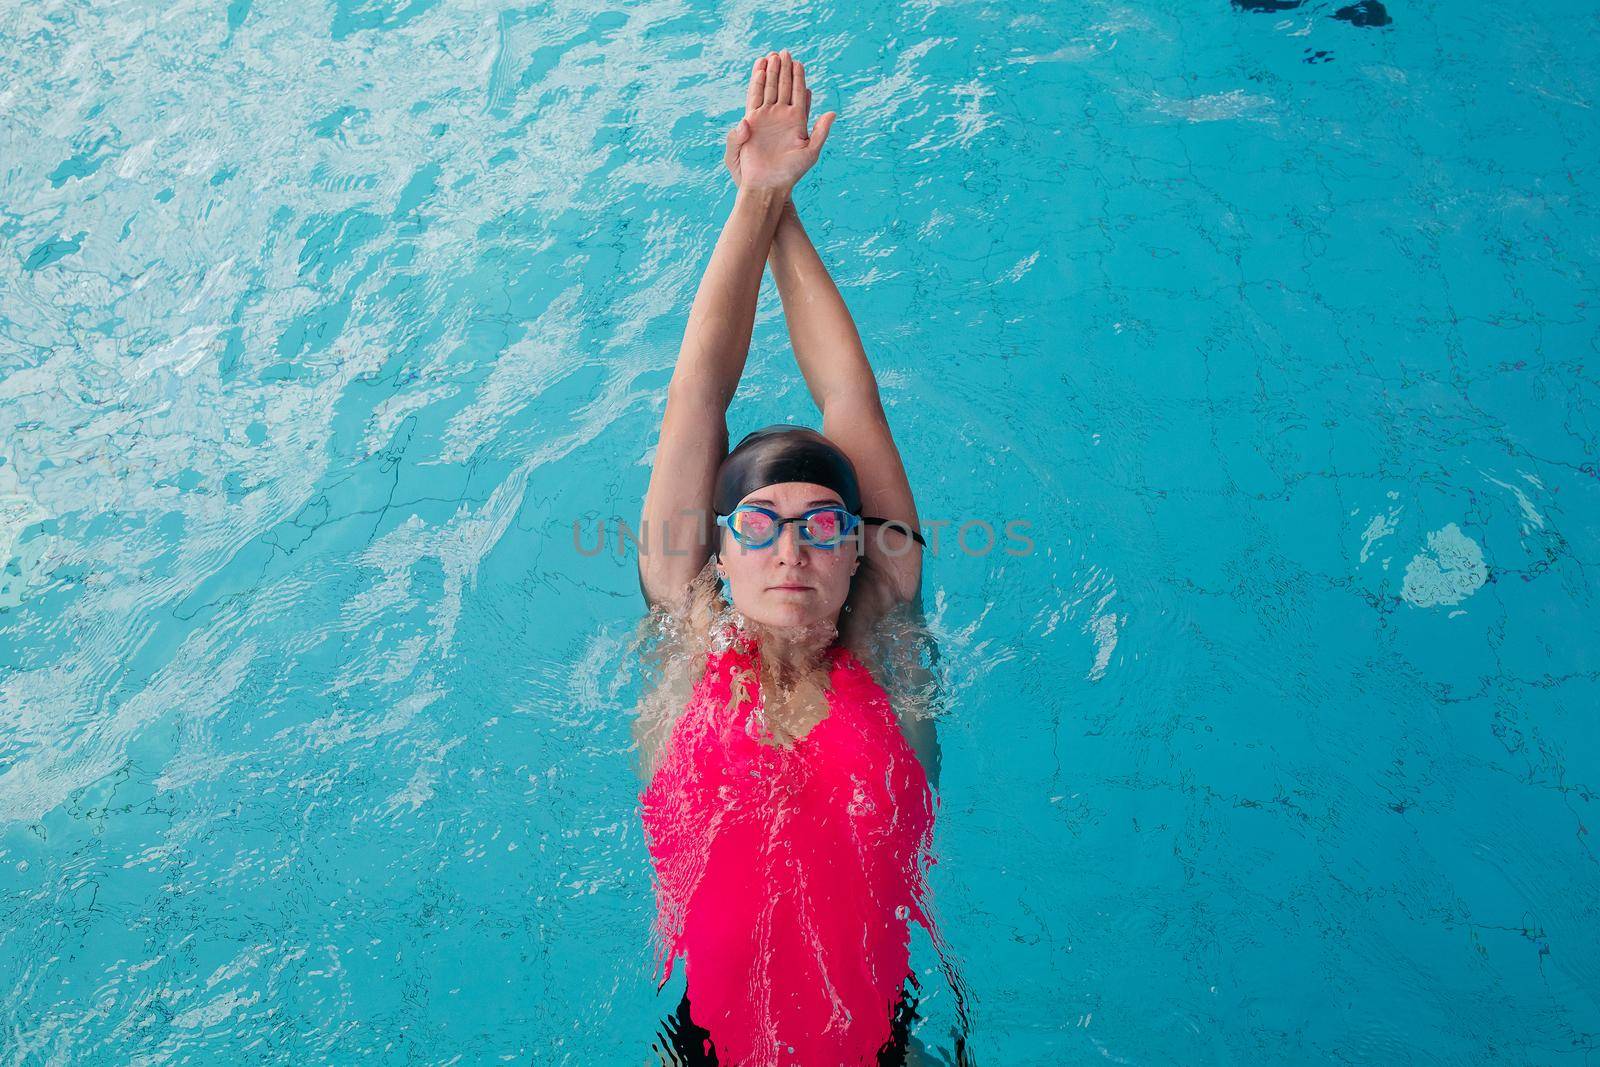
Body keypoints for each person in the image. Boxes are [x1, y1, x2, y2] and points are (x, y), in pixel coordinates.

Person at [633, 50, 964, 1067]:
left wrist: (785, 213)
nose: (791, 546)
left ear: (856, 546)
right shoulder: (686, 625)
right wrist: (756, 203)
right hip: (705, 1049)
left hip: (883, 1047)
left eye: (823, 523)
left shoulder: (882, 626)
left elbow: (848, 400)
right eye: (760, 523)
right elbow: (698, 392)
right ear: (716, 552)